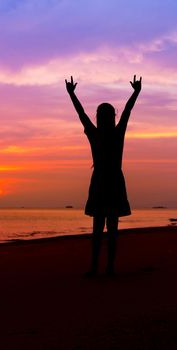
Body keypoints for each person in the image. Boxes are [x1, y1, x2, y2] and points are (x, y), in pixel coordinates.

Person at [65, 75, 142, 276]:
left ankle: (100, 267)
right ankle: (105, 267)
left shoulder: (100, 133)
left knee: (100, 228)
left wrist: (72, 94)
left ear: (101, 117)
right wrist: (136, 92)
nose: (101, 117)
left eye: (101, 114)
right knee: (108, 228)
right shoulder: (110, 133)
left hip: (105, 182)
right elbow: (126, 111)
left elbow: (82, 114)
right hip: (109, 181)